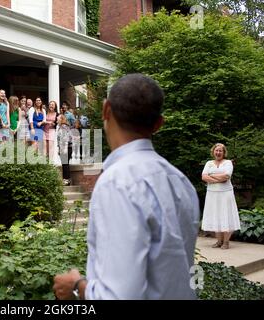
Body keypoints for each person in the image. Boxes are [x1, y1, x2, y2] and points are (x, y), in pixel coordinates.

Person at [53, 73, 200, 300]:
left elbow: (118, 296)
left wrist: (76, 286)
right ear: (159, 124)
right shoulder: (182, 182)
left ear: (105, 111)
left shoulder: (116, 183)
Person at [201, 143, 240, 249]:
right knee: (216, 216)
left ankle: (226, 242)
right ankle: (219, 241)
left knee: (226, 215)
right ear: (213, 151)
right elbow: (204, 177)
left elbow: (227, 176)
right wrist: (219, 178)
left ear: (224, 152)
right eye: (216, 150)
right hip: (212, 194)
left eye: (220, 151)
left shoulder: (228, 163)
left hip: (226, 193)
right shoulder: (209, 163)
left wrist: (211, 176)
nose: (218, 153)